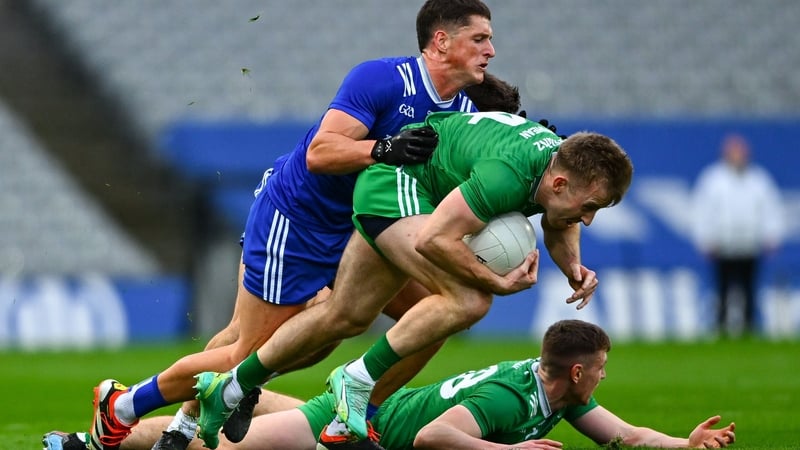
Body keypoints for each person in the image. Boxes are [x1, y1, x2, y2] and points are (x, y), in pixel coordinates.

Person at [81, 2, 499, 450]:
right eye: (479, 39)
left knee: (435, 315)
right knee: (247, 356)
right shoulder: (382, 79)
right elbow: (321, 153)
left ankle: (354, 417)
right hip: (299, 221)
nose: (490, 50)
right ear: (441, 41)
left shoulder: (461, 106)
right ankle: (124, 406)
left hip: (363, 229)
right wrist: (384, 148)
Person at [192, 110, 634, 449]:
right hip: (393, 187)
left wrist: (571, 268)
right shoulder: (509, 176)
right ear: (558, 183)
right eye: (590, 205)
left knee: (343, 317)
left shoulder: (558, 170)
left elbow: (561, 224)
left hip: (407, 190)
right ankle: (356, 379)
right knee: (470, 301)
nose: (589, 219)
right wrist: (495, 283)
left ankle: (231, 384)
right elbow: (435, 242)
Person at [45, 320, 735, 450]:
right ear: (579, 371)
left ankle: (104, 424)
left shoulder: (564, 395)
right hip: (350, 429)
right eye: (602, 367)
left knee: (235, 394)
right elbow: (437, 435)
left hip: (367, 413)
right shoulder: (512, 400)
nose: (604, 379)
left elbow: (623, 436)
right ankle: (106, 424)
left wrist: (683, 443)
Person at [690, 133, 785, 336]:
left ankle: (749, 327)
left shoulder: (759, 180)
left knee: (749, 289)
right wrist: (706, 239)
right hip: (724, 245)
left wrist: (772, 235)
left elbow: (771, 209)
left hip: (750, 244)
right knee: (723, 289)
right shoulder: (713, 180)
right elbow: (702, 211)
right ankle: (722, 327)